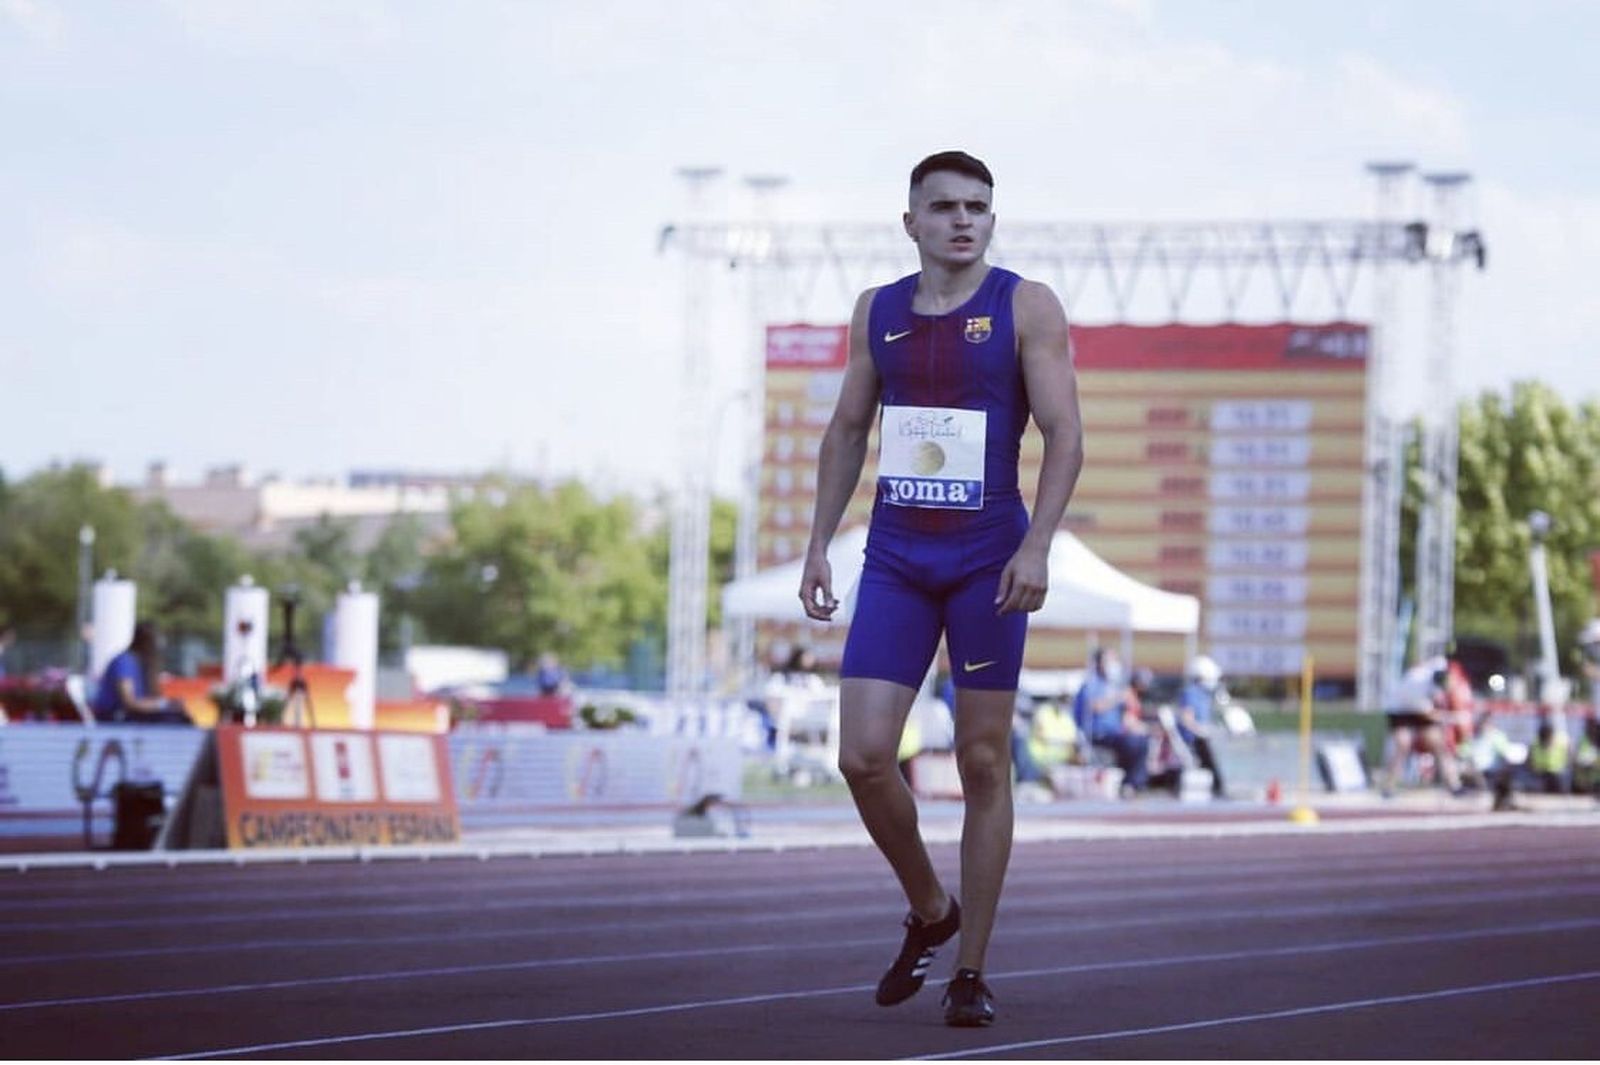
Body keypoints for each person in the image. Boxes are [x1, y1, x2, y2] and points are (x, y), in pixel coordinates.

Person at [798, 150, 1083, 1028]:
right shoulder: (876, 311)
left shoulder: (1025, 305)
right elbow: (849, 428)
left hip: (986, 559)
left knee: (982, 760)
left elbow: (1066, 434)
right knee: (862, 756)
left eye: (979, 207)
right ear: (911, 221)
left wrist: (1037, 546)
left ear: (992, 221)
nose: (964, 220)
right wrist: (817, 542)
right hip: (896, 557)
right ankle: (931, 906)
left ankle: (970, 968)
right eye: (946, 207)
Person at [1381, 655, 1464, 797]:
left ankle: (1454, 785)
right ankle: (1389, 786)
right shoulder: (1416, 686)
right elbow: (1427, 714)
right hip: (1400, 709)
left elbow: (1436, 661)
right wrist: (1452, 718)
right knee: (1403, 745)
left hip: (1420, 706)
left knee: (1439, 745)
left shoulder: (1439, 669)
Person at [1074, 647, 1150, 796]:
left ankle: (1134, 784)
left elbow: (1125, 714)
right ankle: (1129, 783)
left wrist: (1137, 726)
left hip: (1116, 733)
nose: (1113, 664)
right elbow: (1094, 706)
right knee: (1131, 743)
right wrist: (1117, 698)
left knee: (1141, 740)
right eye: (1109, 660)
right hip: (1098, 734)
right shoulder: (1091, 684)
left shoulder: (1114, 685)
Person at [91, 621, 194, 725]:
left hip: (131, 716)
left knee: (182, 717)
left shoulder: (140, 664)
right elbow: (129, 702)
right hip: (115, 717)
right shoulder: (124, 661)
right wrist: (163, 704)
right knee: (173, 721)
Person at [1177, 655, 1229, 798]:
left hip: (1203, 737)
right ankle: (1219, 787)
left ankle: (1222, 785)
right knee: (1210, 749)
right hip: (1194, 740)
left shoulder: (1205, 695)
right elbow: (1187, 719)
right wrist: (1201, 730)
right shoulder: (1191, 693)